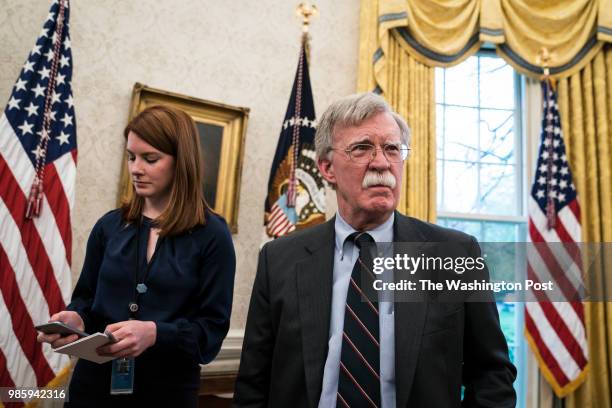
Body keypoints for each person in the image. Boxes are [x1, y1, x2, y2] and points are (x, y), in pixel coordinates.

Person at [233, 93, 516, 407]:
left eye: (392, 148)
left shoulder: (455, 255)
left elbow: (493, 375)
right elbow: (253, 384)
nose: (381, 163)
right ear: (327, 168)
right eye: (362, 148)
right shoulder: (279, 259)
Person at [37, 105, 236, 407]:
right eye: (131, 156)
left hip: (166, 393)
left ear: (181, 162)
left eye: (150, 158)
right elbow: (87, 300)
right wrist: (75, 318)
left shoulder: (213, 236)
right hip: (92, 389)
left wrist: (156, 333)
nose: (136, 168)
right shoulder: (109, 226)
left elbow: (210, 333)